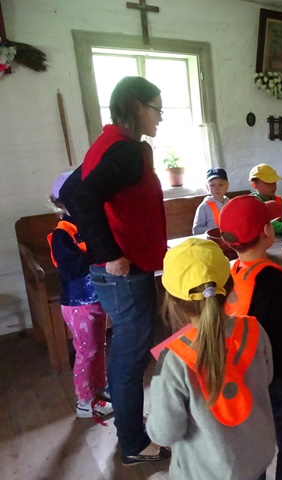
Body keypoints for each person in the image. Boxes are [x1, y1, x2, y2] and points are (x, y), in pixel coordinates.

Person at [70, 76, 170, 466]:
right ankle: (133, 443)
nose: (160, 118)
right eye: (157, 109)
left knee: (127, 353)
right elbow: (81, 196)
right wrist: (110, 252)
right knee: (131, 356)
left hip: (122, 270)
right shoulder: (125, 152)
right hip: (123, 272)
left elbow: (69, 191)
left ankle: (128, 422)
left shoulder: (109, 144)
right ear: (138, 107)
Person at [147, 238, 276, 480]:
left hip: (204, 473)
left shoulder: (172, 359)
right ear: (230, 286)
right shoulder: (254, 329)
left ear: (172, 301)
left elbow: (164, 433)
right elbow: (266, 378)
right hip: (255, 460)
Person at [219, 195, 282, 480]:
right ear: (266, 231)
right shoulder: (278, 281)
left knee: (253, 452)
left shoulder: (227, 273)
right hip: (276, 383)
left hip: (241, 380)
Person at [47, 172, 113, 420]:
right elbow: (70, 270)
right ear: (61, 203)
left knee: (99, 347)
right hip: (77, 303)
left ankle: (100, 388)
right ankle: (85, 401)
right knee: (87, 351)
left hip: (96, 297)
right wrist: (95, 252)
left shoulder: (88, 224)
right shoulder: (62, 233)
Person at [192, 167, 230, 234]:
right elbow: (196, 230)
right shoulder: (204, 207)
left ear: (227, 186)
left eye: (220, 185)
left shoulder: (231, 204)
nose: (217, 188)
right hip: (211, 239)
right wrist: (215, 230)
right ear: (207, 187)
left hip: (230, 238)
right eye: (212, 185)